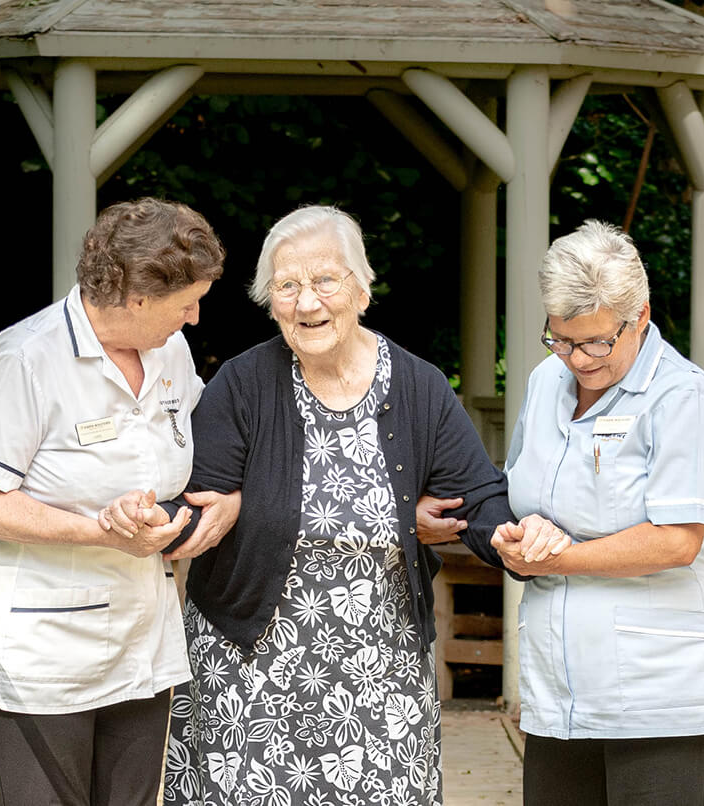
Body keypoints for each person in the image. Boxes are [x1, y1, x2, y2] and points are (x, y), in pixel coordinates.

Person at [156, 205, 512, 806]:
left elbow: (478, 495)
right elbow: (194, 499)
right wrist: (168, 521)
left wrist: (509, 538)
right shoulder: (244, 384)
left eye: (324, 280)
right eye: (287, 286)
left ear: (362, 288)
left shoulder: (419, 386)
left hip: (382, 672)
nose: (306, 302)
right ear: (270, 302)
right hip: (250, 669)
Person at [0, 198, 234, 806]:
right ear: (136, 298)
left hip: (142, 644)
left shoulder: (170, 353)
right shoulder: (26, 357)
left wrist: (223, 505)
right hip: (41, 653)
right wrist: (100, 530)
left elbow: (199, 454)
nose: (196, 317)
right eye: (187, 303)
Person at [490, 220, 704, 806]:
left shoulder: (685, 398)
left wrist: (557, 557)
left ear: (641, 318)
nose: (578, 359)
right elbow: (527, 494)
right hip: (560, 690)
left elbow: (676, 540)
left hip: (661, 693)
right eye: (561, 338)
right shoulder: (544, 379)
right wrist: (518, 538)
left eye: (596, 342)